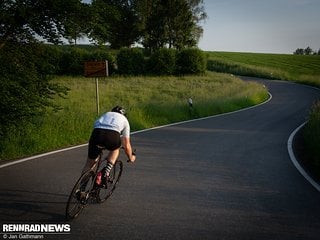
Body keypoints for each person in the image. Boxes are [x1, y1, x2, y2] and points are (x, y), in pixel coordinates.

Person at [82, 106, 136, 181]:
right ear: (123, 114)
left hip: (96, 134)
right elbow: (126, 144)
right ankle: (106, 172)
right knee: (116, 149)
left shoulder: (106, 114)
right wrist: (130, 157)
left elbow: (96, 127)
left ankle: (81, 188)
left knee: (89, 164)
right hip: (112, 136)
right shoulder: (124, 119)